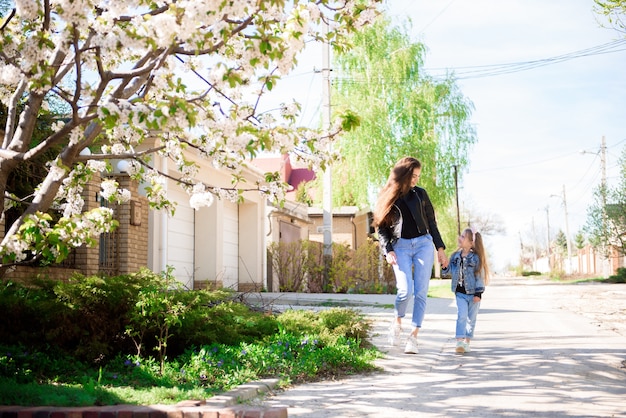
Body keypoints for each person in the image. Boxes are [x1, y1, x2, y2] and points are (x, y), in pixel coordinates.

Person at [373, 156, 448, 354]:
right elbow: (381, 229)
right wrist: (387, 250)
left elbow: (432, 223)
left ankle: (413, 337)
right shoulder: (388, 196)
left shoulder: (421, 195)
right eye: (413, 175)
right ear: (404, 174)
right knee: (405, 290)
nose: (416, 179)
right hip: (400, 247)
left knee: (421, 292)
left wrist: (440, 249)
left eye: (418, 176)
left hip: (423, 244)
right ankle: (397, 322)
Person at [443, 227, 490, 354]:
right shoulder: (455, 256)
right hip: (460, 293)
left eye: (463, 237)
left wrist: (478, 293)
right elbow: (449, 271)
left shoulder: (475, 259)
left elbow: (479, 275)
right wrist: (445, 265)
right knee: (462, 315)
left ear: (471, 243)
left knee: (471, 319)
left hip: (473, 294)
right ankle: (459, 341)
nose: (460, 238)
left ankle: (467, 342)